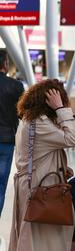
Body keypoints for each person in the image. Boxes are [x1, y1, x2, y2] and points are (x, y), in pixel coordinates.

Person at [4, 79, 75, 251]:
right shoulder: (42, 123)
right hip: (44, 196)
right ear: (50, 100)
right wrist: (62, 109)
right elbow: (72, 138)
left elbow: (42, 153)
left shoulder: (30, 120)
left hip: (32, 191)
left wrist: (59, 166)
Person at [0, 51, 24, 217]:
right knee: (0, 184)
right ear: (5, 64)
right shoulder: (16, 86)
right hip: (6, 140)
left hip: (7, 140)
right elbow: (23, 113)